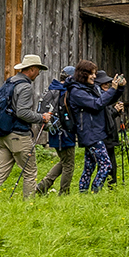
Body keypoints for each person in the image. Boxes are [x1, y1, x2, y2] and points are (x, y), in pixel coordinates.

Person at [0, 55, 53, 204]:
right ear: (31, 69)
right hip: (19, 136)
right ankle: (29, 205)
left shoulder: (10, 82)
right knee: (30, 172)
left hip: (4, 135)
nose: (38, 73)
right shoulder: (25, 87)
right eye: (38, 70)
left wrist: (0, 137)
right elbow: (22, 113)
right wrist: (41, 118)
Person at [67, 60, 124, 192]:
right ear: (83, 74)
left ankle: (83, 193)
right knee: (106, 165)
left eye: (95, 74)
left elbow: (107, 99)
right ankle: (95, 191)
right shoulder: (77, 92)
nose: (94, 76)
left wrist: (119, 88)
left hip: (95, 132)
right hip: (90, 134)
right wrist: (113, 89)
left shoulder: (91, 88)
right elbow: (97, 104)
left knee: (89, 166)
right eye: (92, 74)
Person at [36, 66, 77, 196]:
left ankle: (44, 186)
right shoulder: (65, 92)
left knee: (65, 160)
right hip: (64, 131)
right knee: (69, 164)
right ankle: (64, 192)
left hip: (53, 132)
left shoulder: (51, 90)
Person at [95, 70, 125, 186]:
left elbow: (112, 99)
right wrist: (115, 110)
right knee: (104, 163)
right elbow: (103, 116)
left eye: (107, 82)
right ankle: (100, 186)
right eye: (104, 83)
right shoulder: (98, 97)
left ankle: (111, 185)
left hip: (109, 134)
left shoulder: (103, 95)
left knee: (110, 161)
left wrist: (121, 88)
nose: (107, 84)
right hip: (103, 135)